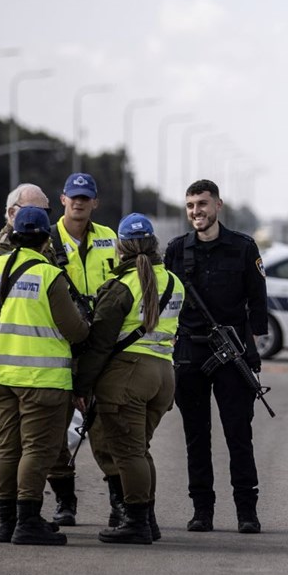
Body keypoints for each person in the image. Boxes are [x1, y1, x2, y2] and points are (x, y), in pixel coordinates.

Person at [0, 206, 88, 545]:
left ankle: (6, 521)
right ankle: (28, 521)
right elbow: (74, 330)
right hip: (42, 379)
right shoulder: (48, 275)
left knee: (7, 447)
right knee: (38, 450)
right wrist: (87, 326)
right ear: (45, 239)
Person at [164, 179, 267, 534]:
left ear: (218, 205)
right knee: (196, 437)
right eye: (191, 205)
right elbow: (165, 303)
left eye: (203, 204)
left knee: (238, 434)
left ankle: (246, 512)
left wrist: (250, 351)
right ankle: (202, 510)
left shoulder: (242, 247)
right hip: (190, 352)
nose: (197, 211)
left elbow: (258, 303)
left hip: (232, 351)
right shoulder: (177, 251)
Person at [73, 213, 184, 544]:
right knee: (139, 449)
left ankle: (135, 522)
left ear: (120, 247)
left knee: (127, 453)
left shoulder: (121, 286)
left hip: (128, 378)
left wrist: (81, 387)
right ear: (154, 244)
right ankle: (147, 519)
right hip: (163, 375)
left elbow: (99, 344)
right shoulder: (174, 282)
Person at [0, 183, 54, 535]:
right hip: (29, 370)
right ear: (12, 213)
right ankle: (15, 519)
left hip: (4, 367)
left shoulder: (45, 248)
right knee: (26, 446)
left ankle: (8, 519)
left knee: (10, 445)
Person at [46, 172, 120, 528]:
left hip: (100, 347)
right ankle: (65, 499)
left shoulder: (109, 238)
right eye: (73, 197)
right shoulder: (45, 241)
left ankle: (119, 504)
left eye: (85, 197)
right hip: (58, 347)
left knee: (105, 428)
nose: (79, 202)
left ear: (95, 203)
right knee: (53, 431)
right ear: (62, 200)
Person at [0, 183, 53, 277]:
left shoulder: (48, 243)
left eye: (45, 212)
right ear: (12, 213)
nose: (40, 217)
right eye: (31, 210)